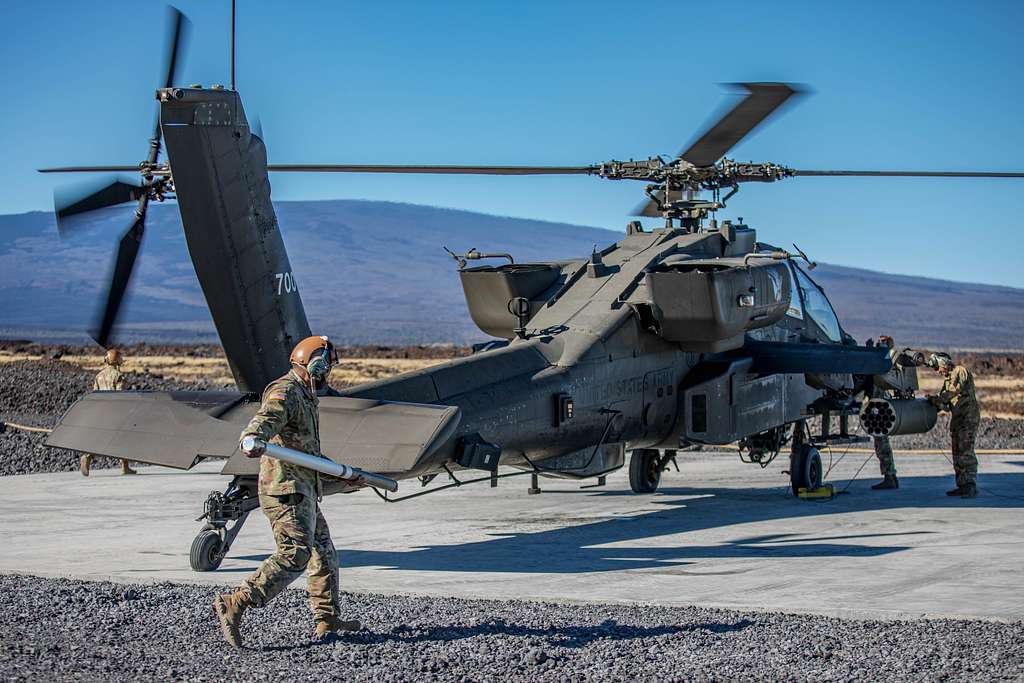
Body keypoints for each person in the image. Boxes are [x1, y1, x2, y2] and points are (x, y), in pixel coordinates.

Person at [214, 335, 359, 648]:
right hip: (286, 489)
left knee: (322, 549)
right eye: (326, 367)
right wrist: (253, 437)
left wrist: (344, 474)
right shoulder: (287, 390)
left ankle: (327, 619)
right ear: (314, 363)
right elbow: (265, 420)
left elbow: (304, 450)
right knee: (295, 554)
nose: (327, 374)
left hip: (303, 487)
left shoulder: (306, 395)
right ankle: (236, 602)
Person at [927, 352, 980, 499]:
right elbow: (947, 404)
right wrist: (933, 404)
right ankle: (962, 485)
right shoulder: (947, 381)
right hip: (957, 419)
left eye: (938, 367)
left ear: (944, 362)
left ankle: (970, 485)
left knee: (966, 451)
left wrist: (938, 399)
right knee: (957, 452)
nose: (938, 371)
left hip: (967, 418)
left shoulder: (959, 371)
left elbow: (953, 391)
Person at [79, 349, 136, 476]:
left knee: (101, 438)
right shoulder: (118, 376)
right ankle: (125, 467)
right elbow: (120, 396)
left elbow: (94, 395)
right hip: (115, 412)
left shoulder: (99, 376)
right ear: (117, 360)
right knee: (123, 438)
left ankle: (88, 457)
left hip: (101, 412)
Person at [871, 335, 898, 490]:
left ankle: (889, 476)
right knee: (882, 442)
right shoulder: (885, 361)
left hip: (879, 409)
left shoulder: (883, 363)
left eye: (882, 342)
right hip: (880, 407)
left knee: (882, 443)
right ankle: (891, 476)